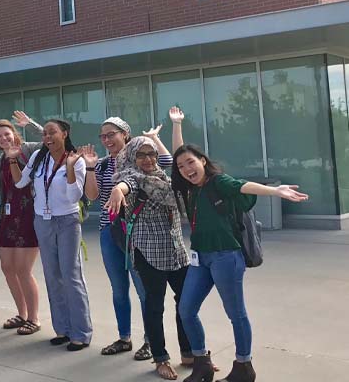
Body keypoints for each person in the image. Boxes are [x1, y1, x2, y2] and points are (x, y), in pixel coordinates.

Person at [171, 142, 309, 382]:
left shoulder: (218, 182)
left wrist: (276, 191)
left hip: (225, 257)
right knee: (186, 309)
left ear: (203, 160)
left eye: (191, 162)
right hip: (200, 258)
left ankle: (244, 366)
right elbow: (176, 152)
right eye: (181, 166)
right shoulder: (192, 189)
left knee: (235, 313)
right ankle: (201, 362)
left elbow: (243, 186)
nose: (186, 169)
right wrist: (176, 126)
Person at [82, 115, 178, 360]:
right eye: (103, 136)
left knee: (144, 288)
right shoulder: (102, 164)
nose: (107, 139)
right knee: (118, 288)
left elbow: (169, 161)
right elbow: (93, 196)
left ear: (126, 134)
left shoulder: (141, 157)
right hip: (109, 230)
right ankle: (124, 337)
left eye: (111, 134)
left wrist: (155, 138)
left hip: (138, 233)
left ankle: (150, 340)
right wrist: (91, 167)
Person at [105, 136, 190, 380]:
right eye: (141, 155)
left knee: (186, 304)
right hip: (148, 251)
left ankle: (189, 352)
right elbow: (125, 184)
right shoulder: (131, 176)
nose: (148, 159)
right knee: (154, 306)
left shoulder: (164, 178)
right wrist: (117, 191)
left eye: (151, 154)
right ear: (132, 156)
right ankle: (161, 358)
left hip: (176, 250)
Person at [14, 119, 92, 350]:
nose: (47, 137)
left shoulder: (75, 160)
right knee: (52, 276)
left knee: (71, 276)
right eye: (45, 133)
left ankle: (81, 332)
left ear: (64, 134)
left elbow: (72, 197)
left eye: (52, 132)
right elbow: (20, 182)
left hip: (67, 222)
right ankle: (63, 329)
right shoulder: (39, 157)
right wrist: (11, 158)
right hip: (43, 222)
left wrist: (68, 168)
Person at [0, 118, 42, 335]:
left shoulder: (27, 150)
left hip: (28, 215)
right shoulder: (0, 160)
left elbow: (48, 141)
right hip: (8, 216)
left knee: (23, 270)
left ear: (14, 133)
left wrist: (30, 124)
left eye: (7, 133)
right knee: (7, 268)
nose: (4, 138)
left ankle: (34, 318)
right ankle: (21, 314)